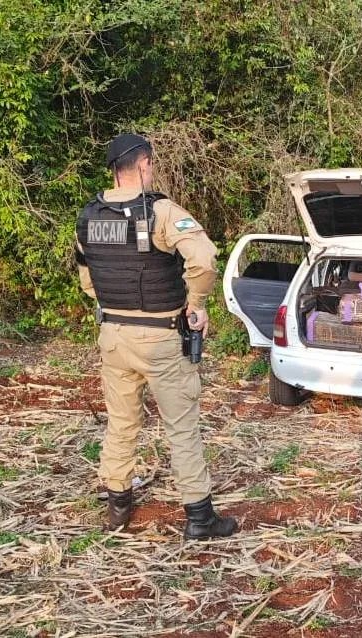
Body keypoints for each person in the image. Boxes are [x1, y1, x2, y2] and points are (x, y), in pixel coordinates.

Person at [75, 133, 238, 540]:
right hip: (162, 338)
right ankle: (199, 517)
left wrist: (113, 307)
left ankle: (117, 505)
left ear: (113, 169)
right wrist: (196, 305)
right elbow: (203, 258)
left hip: (113, 335)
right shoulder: (161, 212)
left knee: (121, 422)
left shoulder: (89, 216)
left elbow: (87, 277)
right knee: (181, 427)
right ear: (145, 164)